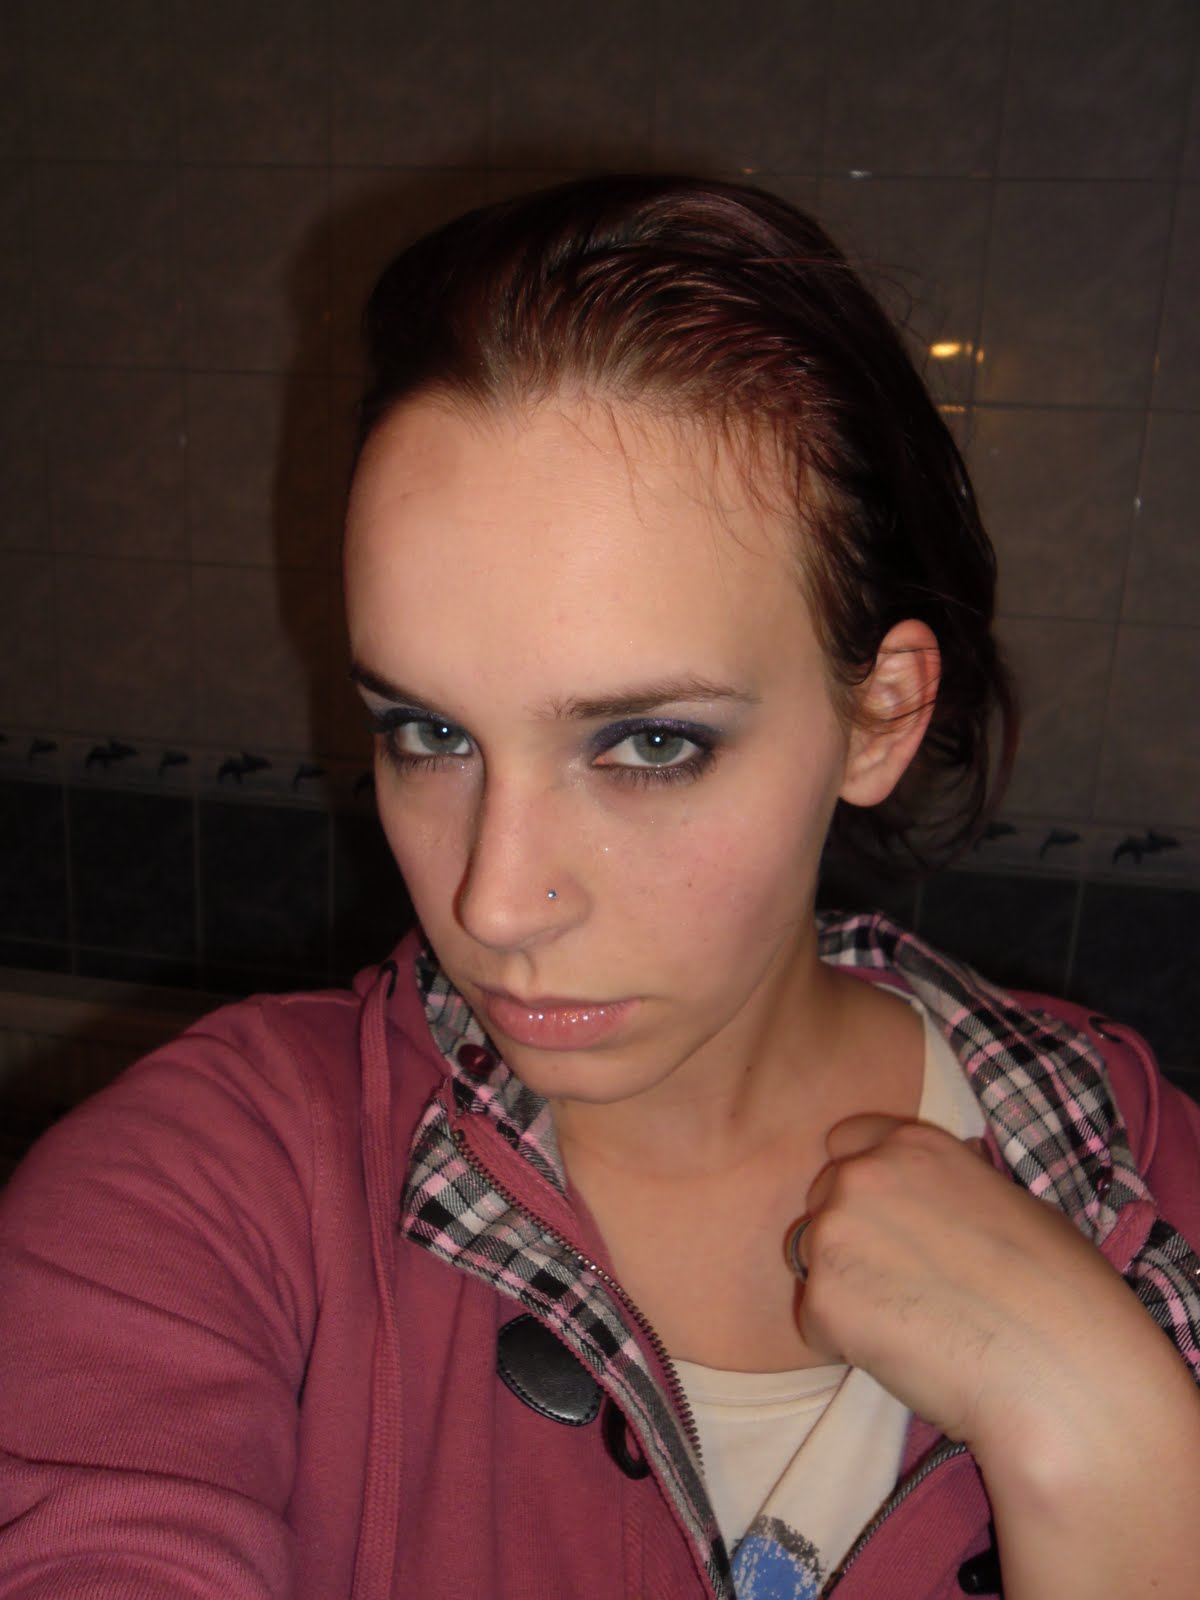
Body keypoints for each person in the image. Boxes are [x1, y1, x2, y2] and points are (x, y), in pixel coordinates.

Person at [2, 176, 1198, 1600]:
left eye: (649, 745)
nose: (495, 904)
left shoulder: (1139, 1175)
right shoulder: (203, 1192)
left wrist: (1104, 1430)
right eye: (427, 733)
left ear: (878, 716)